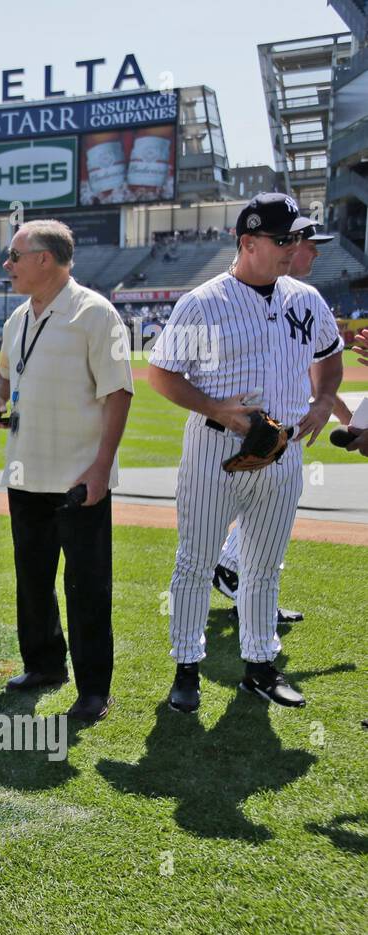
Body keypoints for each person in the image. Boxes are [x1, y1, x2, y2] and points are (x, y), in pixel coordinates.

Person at [148, 193, 343, 713]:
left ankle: (259, 667)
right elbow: (160, 374)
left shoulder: (305, 298)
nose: (295, 246)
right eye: (284, 239)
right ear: (248, 242)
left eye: (297, 237)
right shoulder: (202, 303)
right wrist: (219, 409)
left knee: (264, 567)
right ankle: (186, 668)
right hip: (217, 449)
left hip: (283, 454)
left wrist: (324, 400)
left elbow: (330, 353)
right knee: (195, 563)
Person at [0, 220, 134, 724]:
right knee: (33, 579)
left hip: (78, 479)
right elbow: (7, 368)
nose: (7, 264)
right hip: (26, 474)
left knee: (87, 587)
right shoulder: (19, 317)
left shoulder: (96, 313)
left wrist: (101, 467)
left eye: (14, 256)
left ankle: (94, 691)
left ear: (44, 259)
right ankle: (44, 664)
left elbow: (119, 392)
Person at [212, 223, 354, 621]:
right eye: (309, 246)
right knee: (261, 507)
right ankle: (230, 571)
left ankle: (238, 577)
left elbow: (317, 372)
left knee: (270, 507)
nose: (312, 254)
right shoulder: (252, 299)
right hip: (240, 428)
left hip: (276, 428)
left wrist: (343, 416)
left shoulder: (299, 300)